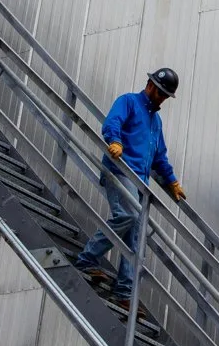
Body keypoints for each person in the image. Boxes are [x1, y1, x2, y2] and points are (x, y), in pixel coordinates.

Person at [72, 67, 186, 302]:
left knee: (135, 237)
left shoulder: (156, 122)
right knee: (130, 216)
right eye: (161, 92)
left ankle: (125, 292)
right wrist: (115, 141)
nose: (163, 98)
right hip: (120, 171)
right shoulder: (129, 102)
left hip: (139, 183)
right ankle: (86, 260)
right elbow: (112, 122)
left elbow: (159, 156)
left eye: (166, 95)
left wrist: (171, 180)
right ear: (151, 85)